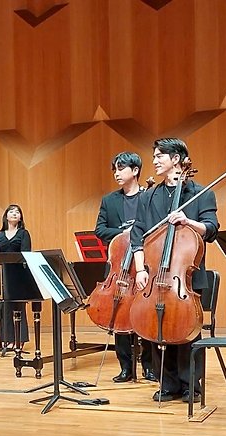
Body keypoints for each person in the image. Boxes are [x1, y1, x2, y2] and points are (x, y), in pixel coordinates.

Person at [130, 138, 218, 402]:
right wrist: (140, 270)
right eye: (155, 156)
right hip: (156, 274)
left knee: (187, 331)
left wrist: (188, 221)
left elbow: (211, 228)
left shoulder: (201, 193)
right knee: (156, 327)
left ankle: (191, 384)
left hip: (186, 276)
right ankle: (167, 384)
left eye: (160, 156)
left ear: (176, 159)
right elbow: (137, 235)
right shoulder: (148, 196)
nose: (155, 161)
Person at [95, 152, 157, 383]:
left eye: (121, 168)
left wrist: (140, 234)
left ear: (135, 170)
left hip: (144, 263)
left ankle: (149, 366)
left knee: (145, 314)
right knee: (119, 313)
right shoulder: (109, 200)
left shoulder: (149, 197)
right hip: (120, 266)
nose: (117, 173)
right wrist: (124, 233)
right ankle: (125, 367)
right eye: (115, 169)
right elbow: (100, 230)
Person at [0, 204, 32, 352]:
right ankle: (7, 339)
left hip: (19, 275)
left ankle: (19, 339)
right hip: (4, 275)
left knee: (19, 307)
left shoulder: (24, 233)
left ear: (20, 217)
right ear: (6, 216)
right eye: (11, 211)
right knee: (5, 308)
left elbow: (26, 255)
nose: (14, 214)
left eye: (17, 212)